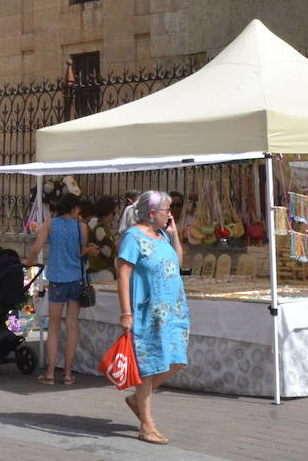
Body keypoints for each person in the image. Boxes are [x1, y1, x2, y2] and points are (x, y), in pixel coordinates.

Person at [116, 190, 188, 446]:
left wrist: (175, 235)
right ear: (151, 213)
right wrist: (126, 312)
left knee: (177, 360)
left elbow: (177, 263)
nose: (170, 213)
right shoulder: (133, 237)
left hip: (173, 312)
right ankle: (147, 425)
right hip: (147, 312)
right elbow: (123, 275)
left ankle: (137, 400)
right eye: (166, 209)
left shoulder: (162, 236)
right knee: (148, 368)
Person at [26, 192, 97, 384]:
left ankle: (50, 373)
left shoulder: (50, 224)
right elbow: (81, 253)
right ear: (74, 208)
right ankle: (67, 373)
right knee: (73, 324)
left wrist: (27, 263)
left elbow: (36, 247)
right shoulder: (81, 226)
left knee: (54, 326)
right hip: (76, 279)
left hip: (57, 279)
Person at [87, 194, 119, 282]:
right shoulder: (100, 227)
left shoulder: (93, 223)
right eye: (113, 213)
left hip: (94, 270)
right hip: (100, 271)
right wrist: (115, 244)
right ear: (108, 212)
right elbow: (107, 251)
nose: (113, 217)